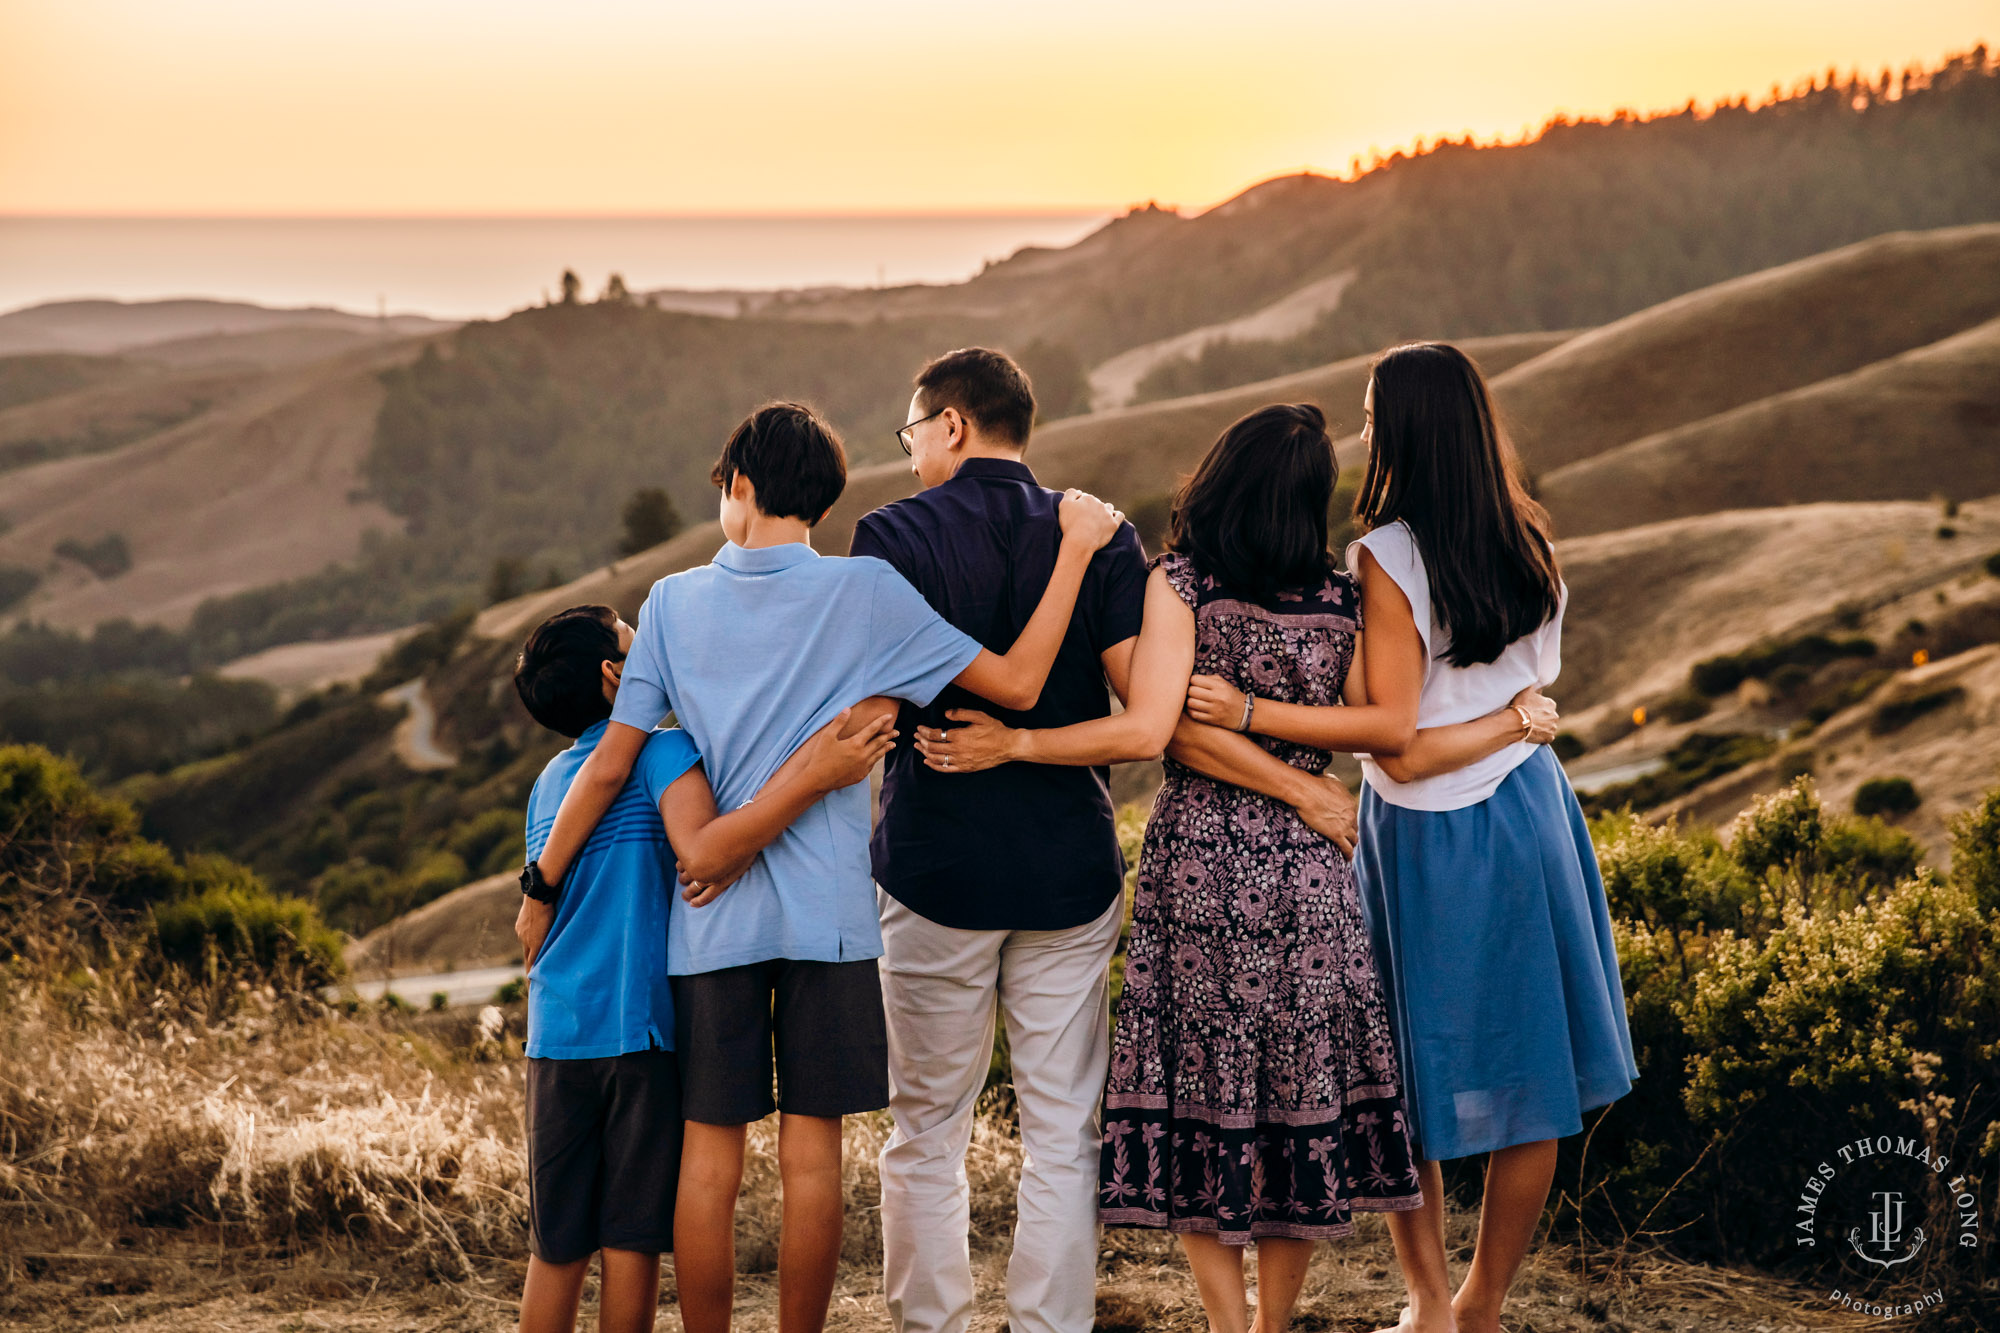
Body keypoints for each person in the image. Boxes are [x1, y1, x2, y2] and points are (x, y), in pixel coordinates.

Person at [516, 402, 1123, 1333]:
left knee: (708, 1155)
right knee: (813, 1155)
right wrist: (1075, 554)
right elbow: (1019, 684)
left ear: (740, 485)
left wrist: (541, 884)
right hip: (829, 916)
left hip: (709, 912)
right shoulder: (866, 591)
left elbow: (607, 765)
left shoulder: (671, 604)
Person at [922, 403, 1526, 1333]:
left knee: (1198, 1097)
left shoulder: (1182, 584)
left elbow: (1159, 729)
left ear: (1222, 478)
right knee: (1291, 1106)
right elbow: (1380, 725)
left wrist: (1231, 715)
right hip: (1311, 872)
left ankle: (1225, 1322)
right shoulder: (1340, 598)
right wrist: (1307, 790)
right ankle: (1271, 1324)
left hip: (1201, 862)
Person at [1193, 344, 1637, 1333]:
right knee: (1533, 1079)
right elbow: (1521, 699)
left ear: (1399, 430)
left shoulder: (1382, 557)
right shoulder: (1530, 541)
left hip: (1424, 844)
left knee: (1396, 1079)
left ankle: (1431, 1301)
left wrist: (1252, 705)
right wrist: (1513, 724)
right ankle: (1480, 1303)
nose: (1359, 430)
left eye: (1368, 413)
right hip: (1529, 814)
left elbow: (1397, 752)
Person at [847, 347, 1149, 1333]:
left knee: (926, 1126)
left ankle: (931, 1325)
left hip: (936, 866)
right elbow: (1135, 709)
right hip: (1067, 863)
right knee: (1062, 1126)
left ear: (950, 424)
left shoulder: (889, 536)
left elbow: (869, 704)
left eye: (909, 432)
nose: (908, 454)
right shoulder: (1098, 533)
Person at [510, 603, 897, 1333]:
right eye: (635, 639)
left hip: (553, 1040)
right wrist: (810, 777)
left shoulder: (547, 783)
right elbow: (703, 847)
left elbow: (552, 890)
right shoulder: (660, 754)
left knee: (555, 1246)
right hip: (639, 1036)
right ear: (616, 674)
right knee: (629, 1242)